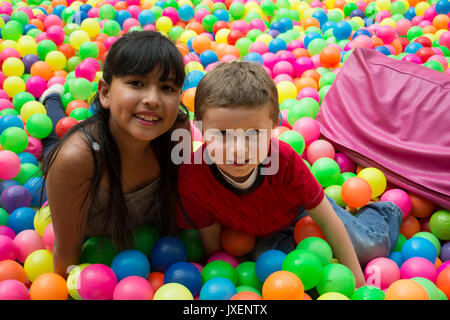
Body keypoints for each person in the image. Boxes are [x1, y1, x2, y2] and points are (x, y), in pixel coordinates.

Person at [176, 61, 403, 287]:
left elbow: (326, 219)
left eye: (254, 133)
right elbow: (210, 233)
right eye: (223, 134)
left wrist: (358, 281)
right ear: (201, 128)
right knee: (282, 272)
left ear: (274, 126)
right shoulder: (192, 174)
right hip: (263, 234)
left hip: (301, 212)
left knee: (370, 248)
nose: (238, 149)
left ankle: (384, 211)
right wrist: (221, 263)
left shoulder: (283, 160)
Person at [40, 31, 191, 278]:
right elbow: (66, 258)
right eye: (136, 83)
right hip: (84, 154)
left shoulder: (177, 133)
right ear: (105, 93)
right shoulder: (76, 160)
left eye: (167, 87)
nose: (152, 99)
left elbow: (178, 200)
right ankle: (52, 100)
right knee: (53, 140)